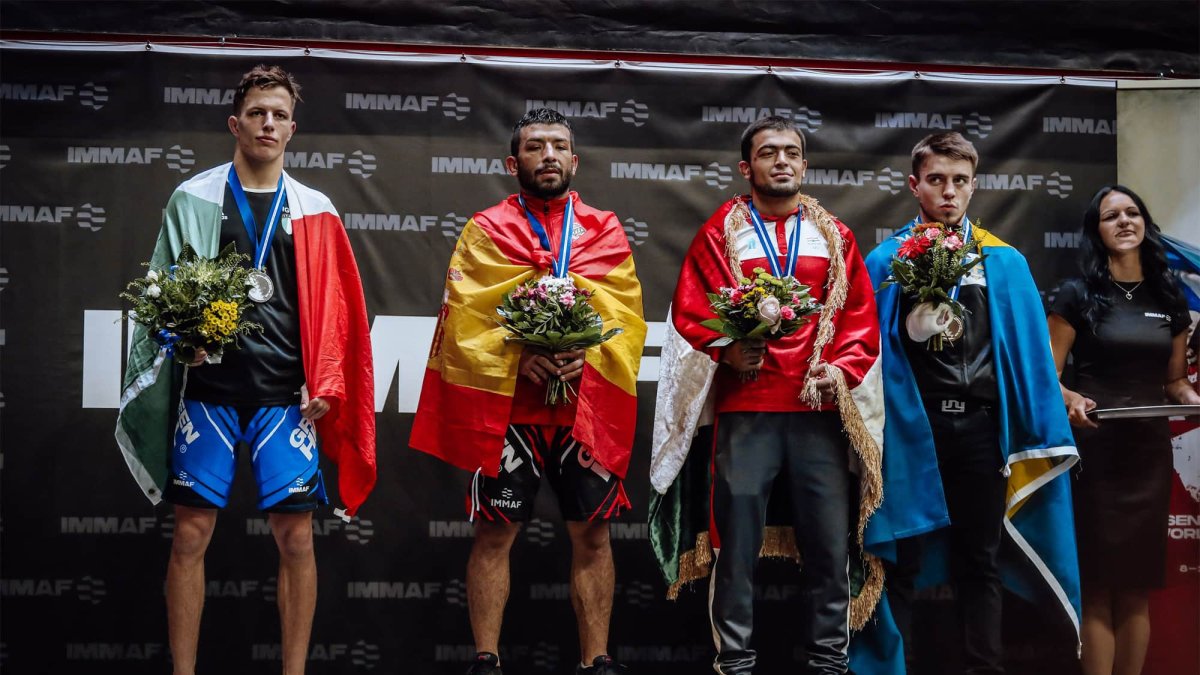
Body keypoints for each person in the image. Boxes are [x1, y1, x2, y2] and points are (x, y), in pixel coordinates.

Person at [114, 65, 376, 675]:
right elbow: (162, 294)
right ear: (235, 122)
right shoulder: (193, 197)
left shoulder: (316, 207)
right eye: (257, 112)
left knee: (297, 539)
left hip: (287, 396)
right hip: (208, 391)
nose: (268, 123)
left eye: (279, 114)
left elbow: (338, 314)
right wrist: (184, 345)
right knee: (189, 536)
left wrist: (328, 383)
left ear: (292, 129)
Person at [410, 108, 647, 675]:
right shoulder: (486, 228)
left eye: (558, 145)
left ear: (574, 160)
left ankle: (598, 661)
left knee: (592, 534)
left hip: (581, 407)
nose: (548, 155)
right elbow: (463, 321)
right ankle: (486, 660)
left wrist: (584, 352)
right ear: (513, 163)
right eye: (536, 146)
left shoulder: (604, 228)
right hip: (509, 408)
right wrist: (520, 355)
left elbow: (627, 317)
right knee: (494, 533)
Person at [650, 115, 885, 675]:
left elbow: (859, 319)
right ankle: (735, 663)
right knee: (735, 549)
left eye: (792, 152)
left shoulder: (835, 235)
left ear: (805, 164)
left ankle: (830, 662)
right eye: (767, 152)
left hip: (819, 413)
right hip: (746, 411)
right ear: (745, 166)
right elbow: (691, 311)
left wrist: (841, 369)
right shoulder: (721, 232)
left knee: (829, 549)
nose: (781, 161)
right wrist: (727, 350)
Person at [860, 131, 1080, 674]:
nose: (948, 192)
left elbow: (1031, 359)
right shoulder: (885, 260)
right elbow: (865, 357)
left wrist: (1062, 398)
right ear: (915, 185)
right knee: (902, 562)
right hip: (912, 432)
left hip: (981, 430)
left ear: (974, 186)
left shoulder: (1005, 263)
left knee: (979, 562)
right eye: (936, 180)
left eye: (960, 181)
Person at [1048, 185, 1200, 675]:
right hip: (1096, 453)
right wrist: (1071, 400)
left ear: (1145, 224)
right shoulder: (1076, 294)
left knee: (1136, 587)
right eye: (1111, 216)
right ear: (1097, 230)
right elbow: (1048, 379)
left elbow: (1175, 382)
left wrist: (1196, 403)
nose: (1125, 221)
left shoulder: (1170, 297)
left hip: (1148, 457)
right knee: (1099, 585)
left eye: (1133, 212)